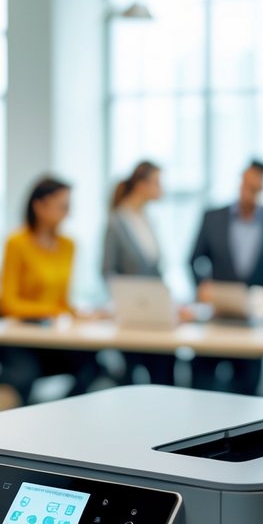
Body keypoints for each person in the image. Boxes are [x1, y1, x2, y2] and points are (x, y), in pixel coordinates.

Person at [188, 159, 263, 393]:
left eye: (256, 189)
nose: (249, 193)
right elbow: (193, 260)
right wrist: (201, 287)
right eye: (247, 186)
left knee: (247, 390)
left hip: (254, 323)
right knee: (202, 386)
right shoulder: (213, 217)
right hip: (216, 318)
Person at [0, 175, 100, 403]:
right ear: (39, 206)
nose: (68, 214)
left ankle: (63, 415)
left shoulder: (68, 245)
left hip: (51, 336)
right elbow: (8, 303)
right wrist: (54, 311)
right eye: (63, 207)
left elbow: (61, 301)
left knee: (93, 364)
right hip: (19, 338)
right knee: (25, 376)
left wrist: (79, 314)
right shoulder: (17, 243)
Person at [102, 160, 175, 386]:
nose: (162, 188)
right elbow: (107, 271)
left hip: (157, 316)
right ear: (141, 185)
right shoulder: (116, 222)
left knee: (166, 371)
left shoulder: (149, 221)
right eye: (157, 182)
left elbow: (156, 272)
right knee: (132, 377)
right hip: (132, 317)